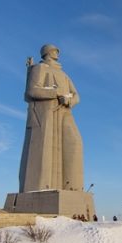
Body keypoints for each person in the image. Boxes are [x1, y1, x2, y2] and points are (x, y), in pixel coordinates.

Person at [18, 44, 84, 192]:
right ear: (47, 52)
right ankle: (42, 187)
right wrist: (55, 93)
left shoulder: (65, 75)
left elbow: (76, 95)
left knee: (75, 143)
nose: (58, 52)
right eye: (55, 50)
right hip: (46, 113)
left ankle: (73, 187)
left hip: (65, 112)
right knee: (45, 152)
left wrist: (69, 100)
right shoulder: (39, 68)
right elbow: (31, 91)